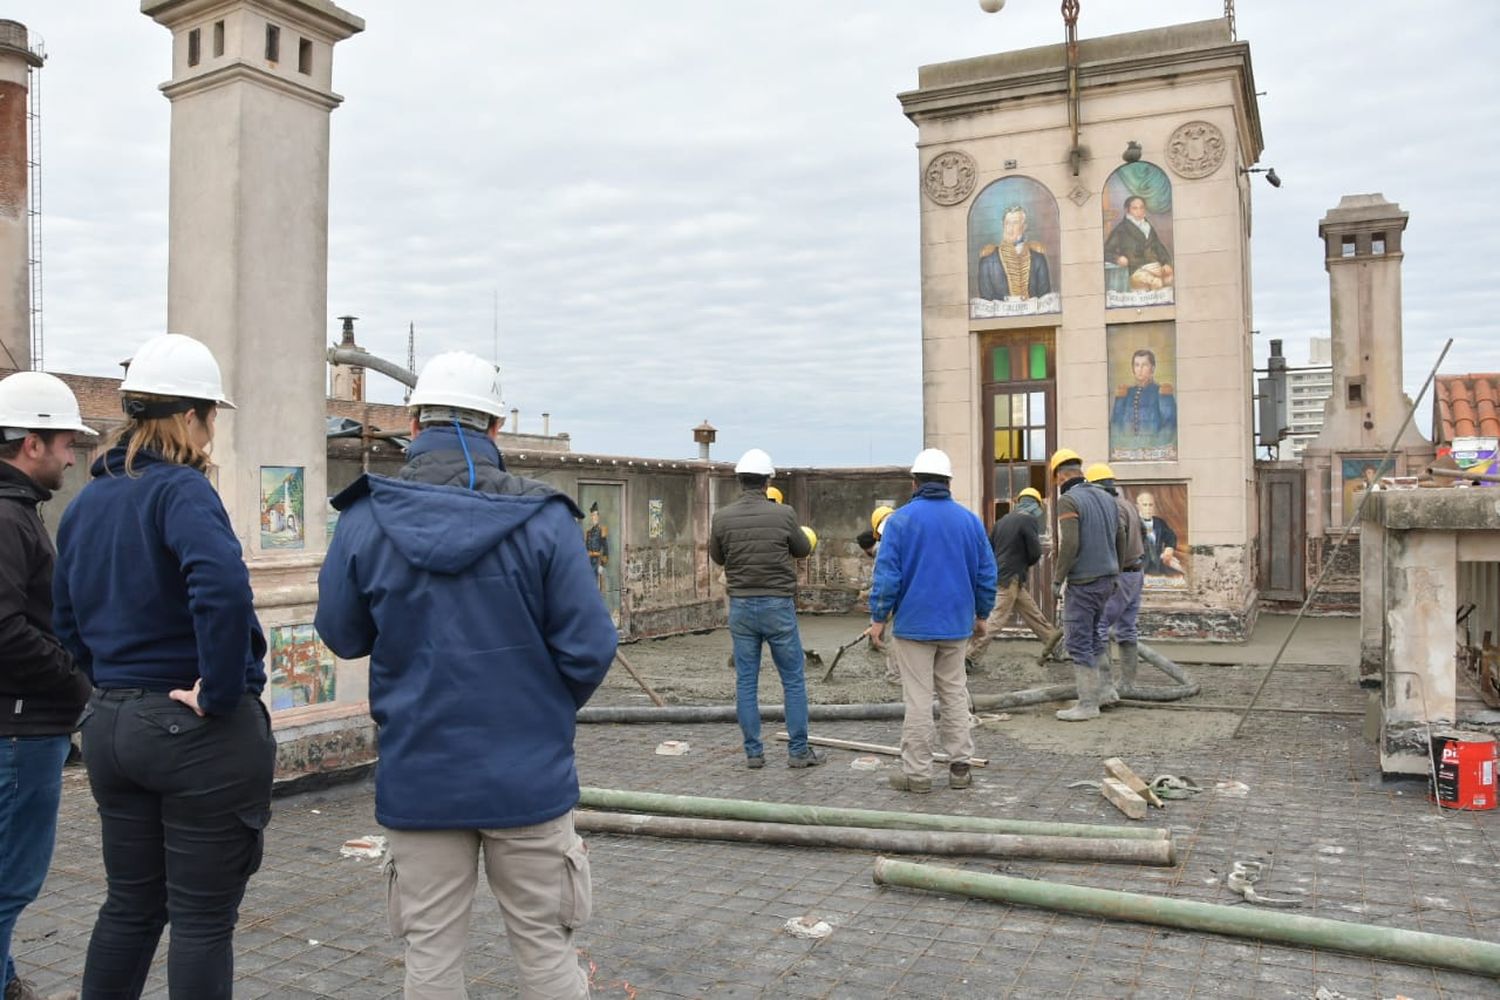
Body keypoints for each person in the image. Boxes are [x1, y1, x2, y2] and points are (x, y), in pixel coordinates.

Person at [316, 350, 615, 997]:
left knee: (430, 959)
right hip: (528, 777)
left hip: (419, 777)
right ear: (496, 430)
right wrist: (541, 707)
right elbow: (591, 648)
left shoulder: (364, 518)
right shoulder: (545, 520)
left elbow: (341, 634)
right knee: (544, 952)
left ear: (415, 420)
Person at [51, 334, 274, 1000]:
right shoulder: (181, 491)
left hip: (113, 727)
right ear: (190, 416)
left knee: (130, 906)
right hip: (189, 731)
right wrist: (222, 688)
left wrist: (107, 686)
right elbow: (224, 588)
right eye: (210, 419)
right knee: (202, 922)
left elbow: (65, 614)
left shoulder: (89, 502)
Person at [0, 372, 95, 1000]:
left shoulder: (17, 513)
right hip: (20, 729)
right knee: (10, 881)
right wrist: (76, 683)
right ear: (31, 443)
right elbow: (5, 629)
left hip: (21, 726)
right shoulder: (8, 519)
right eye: (64, 442)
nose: (70, 455)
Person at [866, 449, 996, 793]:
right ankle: (960, 768)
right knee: (954, 693)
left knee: (919, 699)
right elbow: (986, 573)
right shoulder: (969, 522)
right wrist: (982, 615)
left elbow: (887, 576)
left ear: (915, 482)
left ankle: (918, 775)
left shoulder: (900, 521)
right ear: (948, 482)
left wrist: (878, 619)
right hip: (956, 625)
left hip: (914, 626)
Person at [710, 448, 824, 770]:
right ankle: (798, 751)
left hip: (742, 606)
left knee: (746, 681)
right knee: (793, 679)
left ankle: (754, 753)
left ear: (739, 481)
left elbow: (718, 558)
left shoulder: (722, 517)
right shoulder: (785, 514)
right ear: (767, 480)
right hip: (777, 605)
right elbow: (802, 549)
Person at [1048, 449, 1128, 722]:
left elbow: (1070, 543)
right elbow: (1121, 535)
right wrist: (1115, 570)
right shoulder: (1107, 499)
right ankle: (1106, 692)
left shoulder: (1069, 500)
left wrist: (1058, 579)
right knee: (1095, 636)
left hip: (1083, 582)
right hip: (1108, 579)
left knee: (1078, 640)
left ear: (1060, 475)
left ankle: (1087, 704)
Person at [967, 486, 1058, 668]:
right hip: (1011, 577)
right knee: (997, 619)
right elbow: (1035, 552)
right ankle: (969, 655)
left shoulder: (1002, 521)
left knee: (1032, 613)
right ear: (1035, 505)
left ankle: (1054, 643)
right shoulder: (1028, 520)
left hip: (1002, 575)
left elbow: (990, 549)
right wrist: (1024, 564)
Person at [1086, 464, 1146, 696]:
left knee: (1099, 626)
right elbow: (1141, 533)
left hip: (1120, 574)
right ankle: (1128, 683)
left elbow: (1116, 536)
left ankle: (1104, 687)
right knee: (1127, 628)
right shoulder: (1129, 504)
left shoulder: (1112, 507)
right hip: (1136, 572)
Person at [856, 506, 899, 684]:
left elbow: (883, 583)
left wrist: (878, 617)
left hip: (897, 597)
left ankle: (895, 675)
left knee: (898, 635)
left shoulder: (884, 548)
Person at [977, 205, 1053, 301]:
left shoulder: (1038, 259)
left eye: (1015, 223)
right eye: (1007, 223)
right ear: (1003, 225)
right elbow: (986, 298)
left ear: (1024, 226)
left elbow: (1045, 297)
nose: (1010, 228)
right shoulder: (987, 261)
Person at [1111, 349, 1176, 451]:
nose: (1140, 369)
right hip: (1128, 450)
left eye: (1144, 365)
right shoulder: (1125, 393)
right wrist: (1126, 445)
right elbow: (1116, 424)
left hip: (1154, 450)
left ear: (1152, 368)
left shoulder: (1162, 392)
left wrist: (1154, 446)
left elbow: (1170, 425)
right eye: (1136, 365)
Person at [1104, 195, 1174, 291]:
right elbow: (1106, 252)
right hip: (1135, 269)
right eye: (1135, 208)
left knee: (1170, 279)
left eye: (1141, 208)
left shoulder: (1148, 226)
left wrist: (1166, 263)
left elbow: (1158, 246)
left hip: (1154, 266)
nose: (1139, 211)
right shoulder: (1121, 229)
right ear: (1127, 210)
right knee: (1157, 283)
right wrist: (1117, 258)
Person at [1135, 490, 1184, 578]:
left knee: (1179, 575)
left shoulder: (1159, 523)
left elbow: (1171, 536)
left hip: (1158, 565)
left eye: (1151, 505)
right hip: (1139, 568)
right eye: (1145, 505)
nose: (1148, 508)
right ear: (1138, 506)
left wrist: (1169, 548)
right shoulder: (1133, 523)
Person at [584, 502, 609, 596]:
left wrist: (602, 564)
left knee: (598, 588)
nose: (594, 517)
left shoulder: (602, 530)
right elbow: (586, 547)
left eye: (595, 515)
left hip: (597, 561)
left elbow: (605, 548)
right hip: (588, 561)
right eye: (592, 515)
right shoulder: (589, 532)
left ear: (598, 516)